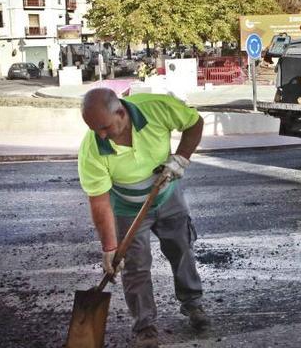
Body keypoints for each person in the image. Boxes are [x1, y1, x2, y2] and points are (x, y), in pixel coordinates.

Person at [78, 88, 208, 348]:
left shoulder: (156, 107)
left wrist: (181, 158)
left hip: (168, 195)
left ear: (121, 113)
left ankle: (193, 304)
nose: (100, 135)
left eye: (104, 127)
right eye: (95, 129)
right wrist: (110, 248)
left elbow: (195, 123)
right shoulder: (92, 148)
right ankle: (144, 326)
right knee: (135, 267)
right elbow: (100, 201)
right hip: (128, 208)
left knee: (181, 249)